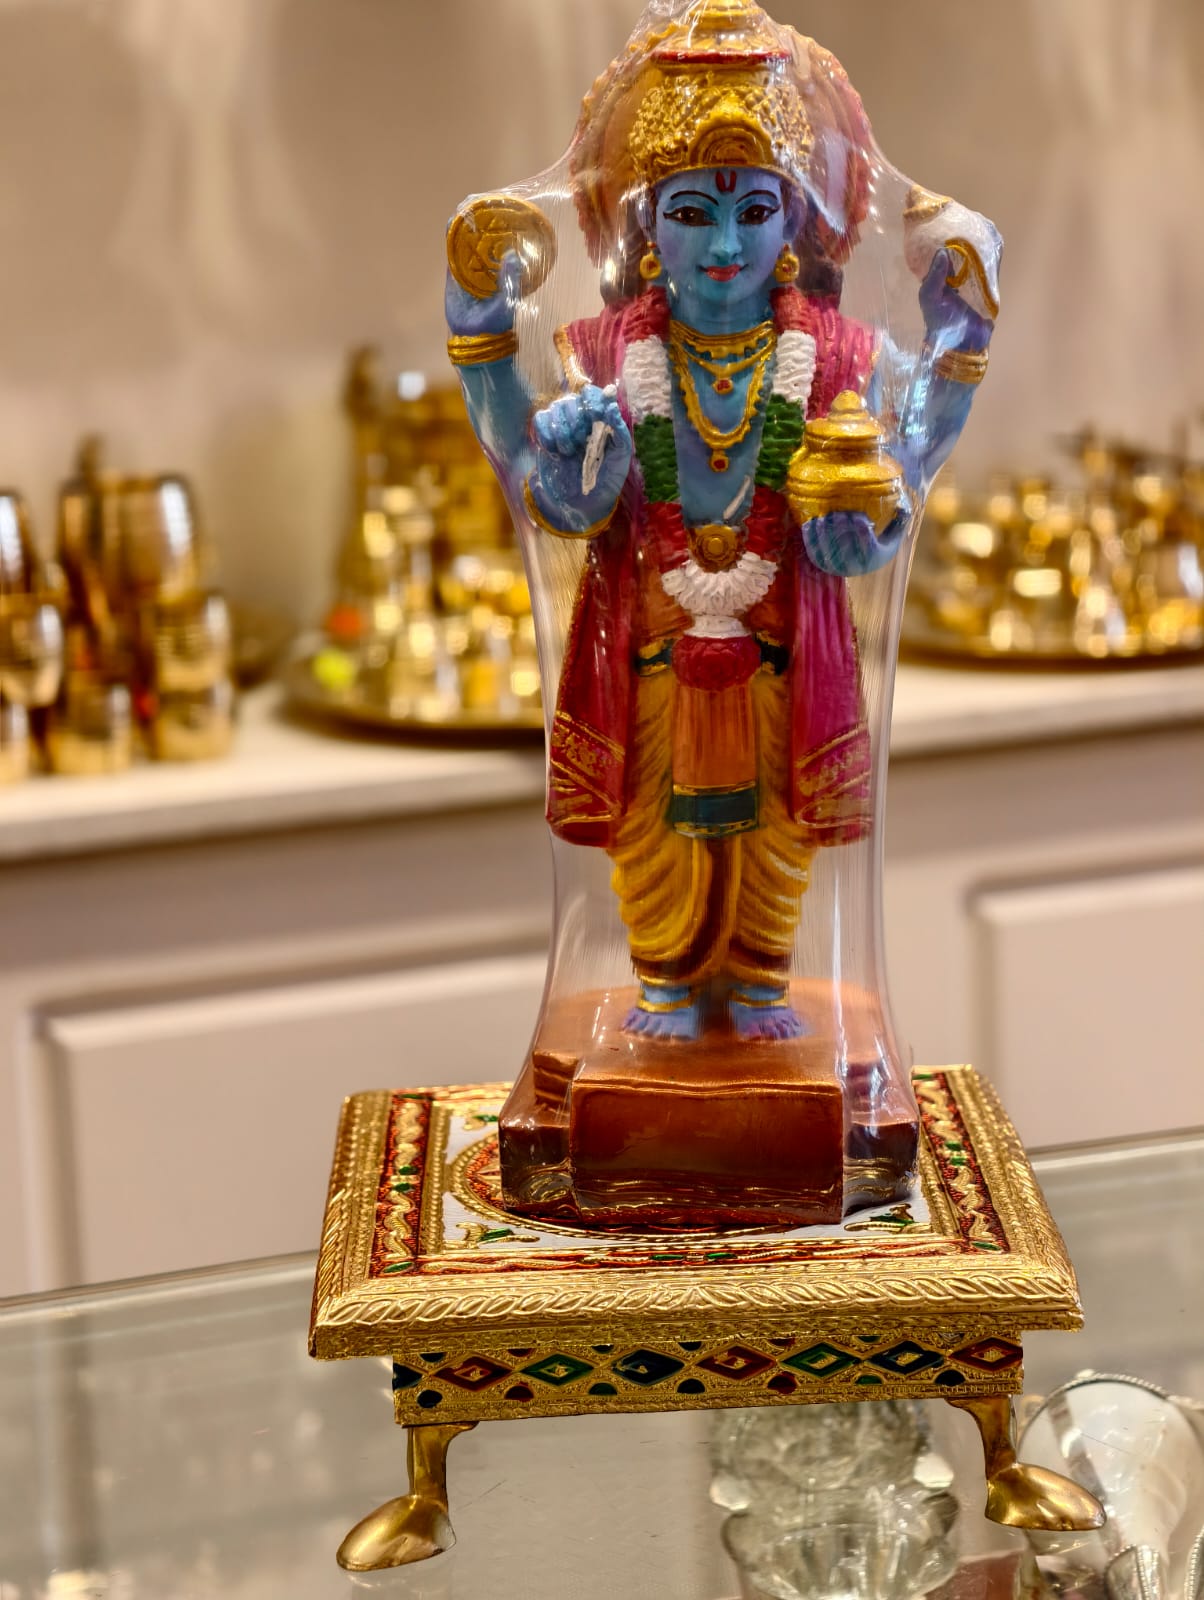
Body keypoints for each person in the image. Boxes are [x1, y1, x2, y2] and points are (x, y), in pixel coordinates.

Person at [447, 0, 997, 1044]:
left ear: (797, 224)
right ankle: (661, 984)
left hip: (784, 663)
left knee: (776, 838)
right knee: (650, 831)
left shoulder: (842, 359)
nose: (725, 244)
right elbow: (545, 490)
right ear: (646, 227)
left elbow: (902, 469)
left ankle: (758, 989)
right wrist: (501, 357)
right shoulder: (596, 356)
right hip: (649, 660)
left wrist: (957, 341)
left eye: (755, 209)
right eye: (693, 212)